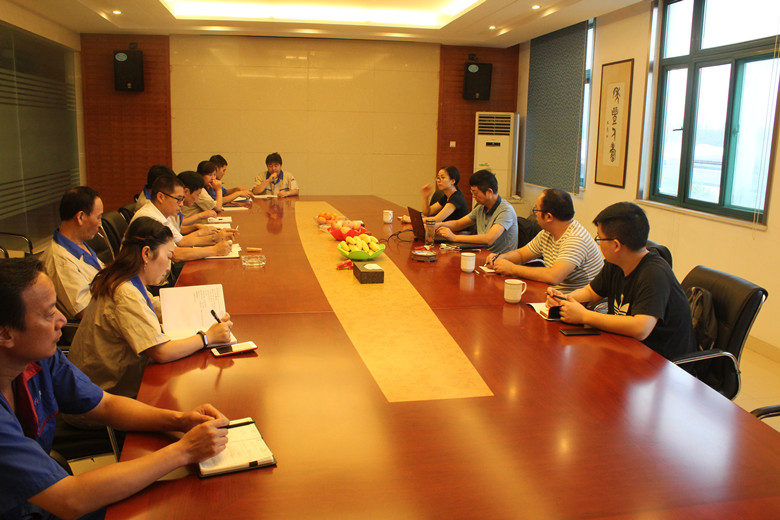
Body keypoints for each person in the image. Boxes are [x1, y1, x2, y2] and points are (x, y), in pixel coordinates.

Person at [0, 256, 229, 520]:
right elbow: (69, 499)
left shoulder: (40, 359)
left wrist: (180, 420)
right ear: (5, 334)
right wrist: (184, 450)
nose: (62, 319)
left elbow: (105, 404)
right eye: (49, 313)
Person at [69, 217, 234, 399]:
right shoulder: (124, 293)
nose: (169, 266)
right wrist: (207, 337)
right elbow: (161, 352)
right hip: (102, 396)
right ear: (147, 253)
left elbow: (152, 305)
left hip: (106, 387)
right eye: (168, 257)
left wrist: (201, 313)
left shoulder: (124, 278)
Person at [546, 202, 696, 360]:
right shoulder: (616, 263)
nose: (598, 243)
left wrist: (584, 316)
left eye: (599, 238)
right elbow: (591, 292)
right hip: (628, 349)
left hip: (664, 363)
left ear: (616, 245)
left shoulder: (654, 273)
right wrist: (564, 299)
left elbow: (641, 328)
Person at [487, 188, 603, 292]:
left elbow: (554, 276)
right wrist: (500, 257)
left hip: (579, 303)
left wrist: (512, 269)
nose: (535, 214)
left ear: (548, 217)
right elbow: (521, 255)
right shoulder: (547, 233)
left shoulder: (575, 239)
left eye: (536, 210)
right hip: (555, 295)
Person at [131, 174, 235, 262]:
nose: (181, 204)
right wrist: (215, 250)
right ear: (161, 197)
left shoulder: (161, 214)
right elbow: (175, 254)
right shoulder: (149, 217)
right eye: (178, 199)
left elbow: (181, 241)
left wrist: (215, 238)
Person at [40, 187, 105, 321]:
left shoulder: (80, 245)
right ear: (80, 217)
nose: (100, 224)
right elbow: (86, 312)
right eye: (98, 217)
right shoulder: (60, 261)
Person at [434, 169, 518, 254]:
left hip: (500, 258)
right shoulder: (481, 207)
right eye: (472, 192)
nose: (473, 196)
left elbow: (489, 239)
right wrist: (438, 225)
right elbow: (458, 224)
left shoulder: (506, 210)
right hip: (482, 252)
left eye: (475, 193)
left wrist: (454, 237)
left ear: (489, 192)